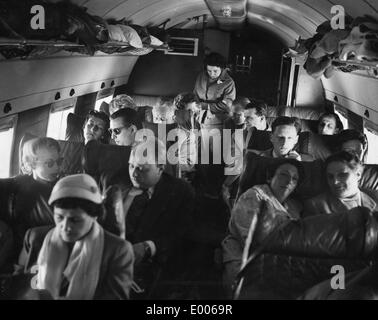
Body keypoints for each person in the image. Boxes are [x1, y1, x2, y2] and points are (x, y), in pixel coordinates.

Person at [15, 174, 134, 300]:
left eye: (75, 220)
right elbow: (25, 285)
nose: (65, 227)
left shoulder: (118, 250)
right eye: (59, 217)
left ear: (94, 217)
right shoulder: (37, 238)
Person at [118, 137, 195, 298]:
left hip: (155, 267)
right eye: (131, 166)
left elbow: (183, 234)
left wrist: (148, 247)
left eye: (142, 168)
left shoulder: (180, 192)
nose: (134, 173)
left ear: (160, 168)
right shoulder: (119, 186)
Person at [222, 159, 304, 298]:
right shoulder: (255, 195)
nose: (289, 181)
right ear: (269, 177)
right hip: (245, 256)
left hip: (279, 259)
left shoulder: (295, 207)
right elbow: (249, 238)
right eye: (283, 175)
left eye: (294, 179)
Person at [1, 137, 62, 256]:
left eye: (59, 161)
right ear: (31, 164)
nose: (56, 167)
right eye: (49, 163)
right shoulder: (17, 184)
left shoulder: (64, 186)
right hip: (22, 247)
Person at [305, 151, 376, 216]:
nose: (335, 182)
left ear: (358, 175)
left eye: (342, 175)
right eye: (330, 176)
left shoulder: (375, 197)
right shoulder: (316, 206)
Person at [194, 52, 236, 127]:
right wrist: (195, 106)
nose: (212, 74)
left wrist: (205, 106)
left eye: (215, 71)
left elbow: (227, 105)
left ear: (222, 68)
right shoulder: (201, 76)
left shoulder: (228, 82)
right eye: (209, 71)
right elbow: (195, 94)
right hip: (199, 117)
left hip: (217, 121)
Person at [171, 92, 201, 178]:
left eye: (195, 111)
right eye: (189, 111)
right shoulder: (176, 132)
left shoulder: (197, 125)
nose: (194, 115)